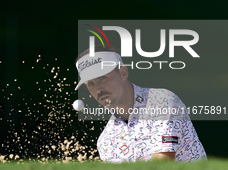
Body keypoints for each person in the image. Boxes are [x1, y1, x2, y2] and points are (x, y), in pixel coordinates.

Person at [75, 45, 207, 163]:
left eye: (102, 78)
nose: (98, 89)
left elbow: (162, 168)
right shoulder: (105, 140)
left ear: (123, 73)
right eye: (90, 84)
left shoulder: (161, 101)